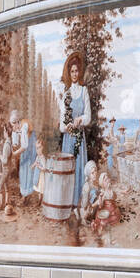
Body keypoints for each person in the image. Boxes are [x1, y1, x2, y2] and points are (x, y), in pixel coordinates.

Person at [59, 51, 92, 211]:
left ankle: (80, 203)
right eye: (71, 71)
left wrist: (79, 120)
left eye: (76, 71)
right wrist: (69, 125)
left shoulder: (84, 91)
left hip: (80, 138)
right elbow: (61, 125)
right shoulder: (66, 94)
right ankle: (67, 204)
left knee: (80, 168)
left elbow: (88, 117)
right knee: (69, 169)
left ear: (80, 72)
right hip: (68, 139)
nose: (74, 74)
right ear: (68, 72)